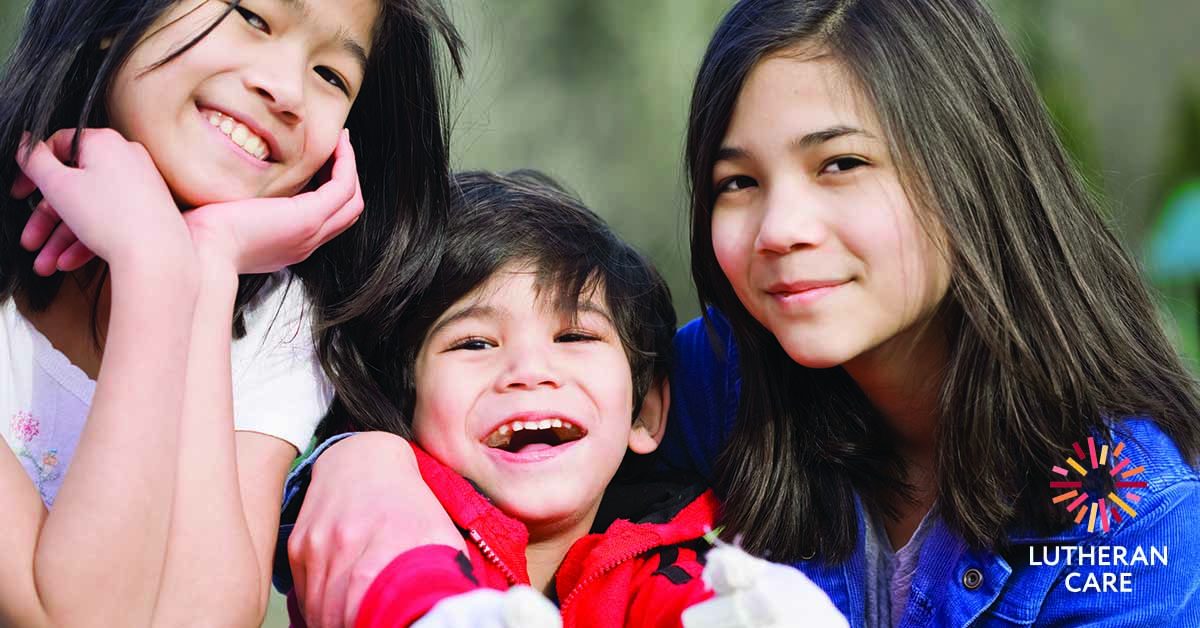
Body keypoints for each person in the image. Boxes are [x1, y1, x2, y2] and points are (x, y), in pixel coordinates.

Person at [284, 0, 1200, 626]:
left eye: (840, 164)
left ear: (971, 171)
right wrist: (361, 458)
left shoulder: (1128, 515)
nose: (780, 229)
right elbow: (497, 410)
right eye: (738, 182)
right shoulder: (728, 376)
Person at [0, 0, 462, 625]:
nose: (287, 90)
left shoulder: (280, 319)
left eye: (332, 76)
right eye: (252, 15)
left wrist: (202, 265)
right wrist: (159, 269)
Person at [277, 170, 847, 628]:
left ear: (645, 412)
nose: (529, 372)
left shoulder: (667, 550)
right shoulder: (385, 509)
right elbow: (392, 573)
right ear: (405, 404)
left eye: (574, 336)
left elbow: (688, 604)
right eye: (474, 342)